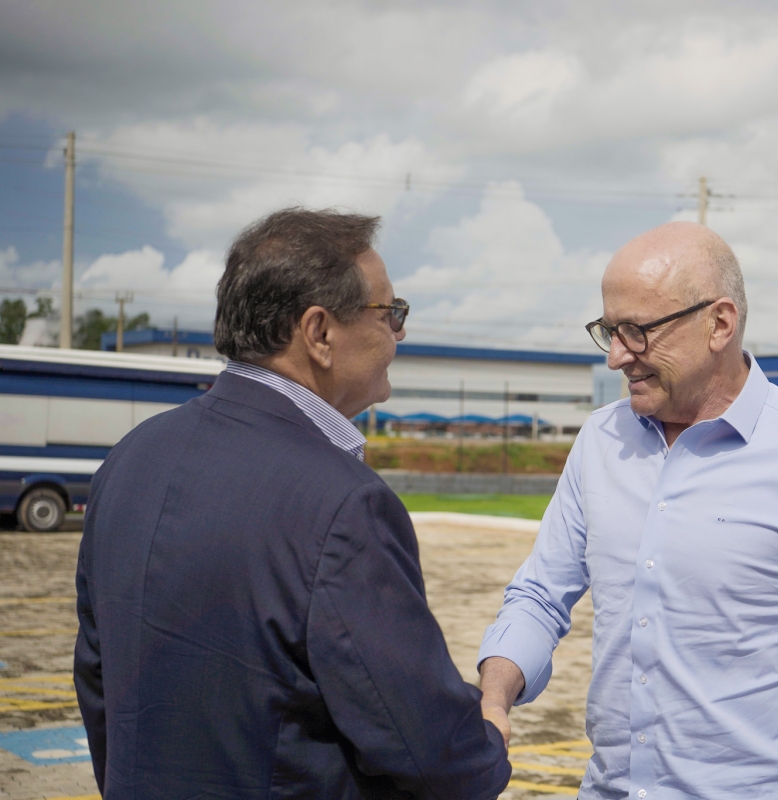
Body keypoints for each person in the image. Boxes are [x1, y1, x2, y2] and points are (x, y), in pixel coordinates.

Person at [74, 208, 511, 799]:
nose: (399, 333)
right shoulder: (343, 503)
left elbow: (98, 680)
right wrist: (486, 739)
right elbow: (424, 746)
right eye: (391, 312)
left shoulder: (131, 457)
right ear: (320, 333)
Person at [476, 221, 778, 800]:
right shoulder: (601, 441)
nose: (616, 356)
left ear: (720, 324)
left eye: (637, 332)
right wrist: (493, 697)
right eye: (609, 331)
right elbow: (540, 594)